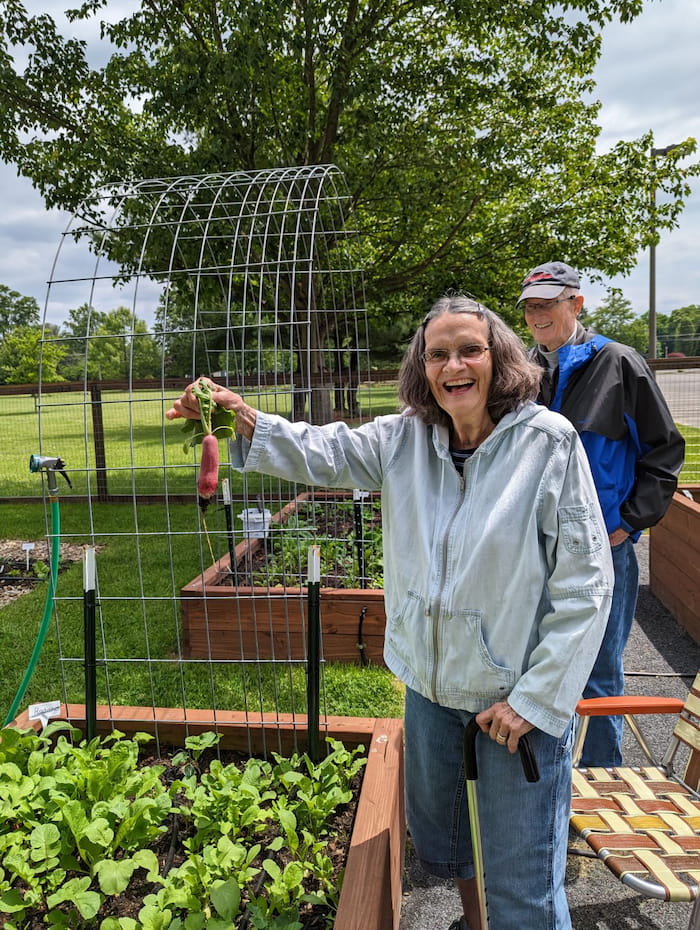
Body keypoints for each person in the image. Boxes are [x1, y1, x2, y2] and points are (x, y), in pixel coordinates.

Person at [166, 295, 613, 930]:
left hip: (512, 707)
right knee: (449, 849)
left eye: (469, 350)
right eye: (437, 354)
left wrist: (538, 699)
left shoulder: (546, 444)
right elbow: (321, 450)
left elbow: (587, 583)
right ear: (421, 367)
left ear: (500, 358)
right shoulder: (404, 439)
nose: (453, 365)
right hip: (429, 694)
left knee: (524, 887)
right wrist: (239, 416)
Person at [518, 261, 685, 768]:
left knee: (597, 669)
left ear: (577, 302)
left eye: (548, 302)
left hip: (603, 550)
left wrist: (627, 524)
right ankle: (547, 782)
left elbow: (663, 452)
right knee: (537, 662)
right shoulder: (523, 370)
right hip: (536, 548)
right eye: (529, 305)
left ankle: (600, 780)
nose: (537, 314)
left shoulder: (620, 363)